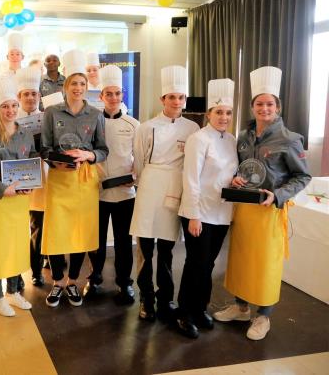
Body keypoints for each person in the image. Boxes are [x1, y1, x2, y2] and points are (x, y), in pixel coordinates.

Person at [213, 66, 311, 341]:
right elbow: (236, 167)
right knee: (241, 259)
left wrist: (278, 195)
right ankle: (241, 306)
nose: (264, 108)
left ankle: (263, 316)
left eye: (269, 104)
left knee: (265, 264)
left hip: (270, 209)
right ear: (253, 106)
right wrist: (235, 179)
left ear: (277, 107)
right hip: (244, 209)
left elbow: (303, 175)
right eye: (259, 103)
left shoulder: (290, 139)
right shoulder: (244, 137)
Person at [129, 65, 200, 322]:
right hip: (149, 186)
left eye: (181, 97)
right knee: (146, 250)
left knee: (168, 251)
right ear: (162, 99)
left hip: (175, 187)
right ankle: (146, 298)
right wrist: (143, 181)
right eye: (172, 97)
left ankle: (166, 298)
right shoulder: (146, 127)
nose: (177, 102)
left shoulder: (192, 129)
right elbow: (138, 161)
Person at [40, 49, 108, 308]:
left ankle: (73, 282)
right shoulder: (52, 112)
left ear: (87, 86)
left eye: (82, 83)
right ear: (66, 86)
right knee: (57, 233)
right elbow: (44, 147)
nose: (78, 88)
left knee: (80, 233)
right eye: (74, 83)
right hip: (59, 179)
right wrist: (55, 159)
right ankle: (57, 282)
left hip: (84, 181)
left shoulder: (95, 114)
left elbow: (103, 150)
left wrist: (87, 155)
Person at [174, 79, 238, 339]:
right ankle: (184, 313)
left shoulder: (232, 140)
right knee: (196, 263)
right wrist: (193, 215)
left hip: (222, 212)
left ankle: (200, 309)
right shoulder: (198, 139)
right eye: (219, 112)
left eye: (228, 113)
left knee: (208, 264)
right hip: (198, 213)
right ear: (208, 114)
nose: (224, 117)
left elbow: (227, 172)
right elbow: (190, 179)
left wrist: (234, 180)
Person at [0, 75, 35, 317]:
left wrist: (32, 183)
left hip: (20, 200)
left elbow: (32, 161)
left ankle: (13, 292)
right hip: (0, 199)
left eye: (13, 105)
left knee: (17, 245)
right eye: (5, 106)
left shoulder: (26, 134)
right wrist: (2, 188)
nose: (11, 110)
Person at [84, 65, 139, 304]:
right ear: (101, 96)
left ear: (122, 95)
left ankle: (124, 283)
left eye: (117, 93)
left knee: (124, 241)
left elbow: (140, 158)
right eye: (109, 94)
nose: (113, 98)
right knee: (95, 240)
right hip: (96, 192)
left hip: (125, 192)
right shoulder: (93, 123)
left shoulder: (133, 124)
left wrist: (135, 176)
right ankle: (94, 279)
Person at [16, 66, 46, 286]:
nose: (30, 97)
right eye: (26, 94)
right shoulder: (10, 117)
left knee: (37, 228)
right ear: (19, 96)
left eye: (34, 93)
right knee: (16, 229)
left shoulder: (46, 118)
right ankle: (16, 274)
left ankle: (36, 270)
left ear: (39, 96)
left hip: (41, 180)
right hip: (17, 179)